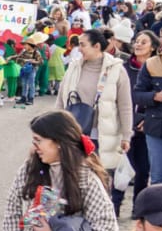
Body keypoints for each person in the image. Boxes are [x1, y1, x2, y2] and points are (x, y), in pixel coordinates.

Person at [55, 28, 133, 203]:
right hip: (74, 133)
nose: (79, 48)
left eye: (83, 45)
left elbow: (125, 105)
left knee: (100, 178)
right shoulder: (74, 67)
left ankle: (101, 216)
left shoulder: (116, 70)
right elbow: (61, 98)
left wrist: (127, 135)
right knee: (72, 176)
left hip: (102, 134)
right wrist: (54, 126)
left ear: (97, 46)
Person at [134, 21, 162, 185]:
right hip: (157, 129)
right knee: (157, 180)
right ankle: (159, 211)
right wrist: (155, 96)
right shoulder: (151, 63)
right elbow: (137, 94)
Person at [123, 31, 160, 204]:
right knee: (122, 168)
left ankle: (138, 206)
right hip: (124, 124)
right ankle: (115, 206)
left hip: (147, 124)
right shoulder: (124, 67)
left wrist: (146, 118)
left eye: (143, 42)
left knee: (143, 169)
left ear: (153, 47)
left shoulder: (158, 69)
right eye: (136, 41)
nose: (137, 45)